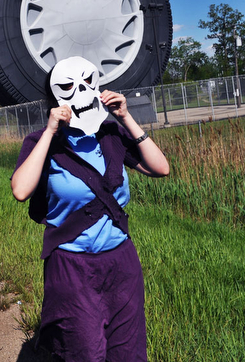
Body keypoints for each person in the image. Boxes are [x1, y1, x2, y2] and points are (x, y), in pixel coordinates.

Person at [11, 57, 169, 361]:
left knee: (128, 352)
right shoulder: (41, 142)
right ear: (55, 98)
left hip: (121, 263)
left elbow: (161, 168)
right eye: (68, 86)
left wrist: (125, 117)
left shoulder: (111, 135)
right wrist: (49, 131)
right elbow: (20, 190)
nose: (80, 92)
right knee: (84, 352)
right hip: (72, 268)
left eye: (86, 82)